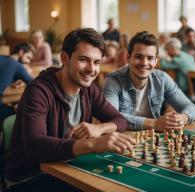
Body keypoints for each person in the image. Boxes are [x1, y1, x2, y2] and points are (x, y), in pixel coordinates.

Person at [5, 28, 135, 191]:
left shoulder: (89, 89)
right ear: (64, 58)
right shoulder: (38, 91)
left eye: (96, 62)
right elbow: (35, 146)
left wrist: (100, 128)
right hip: (29, 178)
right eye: (84, 60)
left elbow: (120, 120)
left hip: (68, 168)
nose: (91, 69)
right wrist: (93, 144)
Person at [103, 31, 195, 132]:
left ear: (156, 61)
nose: (144, 63)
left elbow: (191, 107)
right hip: (122, 138)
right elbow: (110, 115)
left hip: (152, 140)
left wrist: (180, 119)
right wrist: (155, 123)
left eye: (150, 58)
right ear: (129, 58)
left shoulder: (162, 79)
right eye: (139, 57)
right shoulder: (113, 80)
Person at [0, 42, 34, 122]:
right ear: (21, 52)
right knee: (24, 113)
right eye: (28, 57)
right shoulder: (17, 65)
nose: (28, 61)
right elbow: (34, 83)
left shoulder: (2, 58)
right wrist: (27, 72)